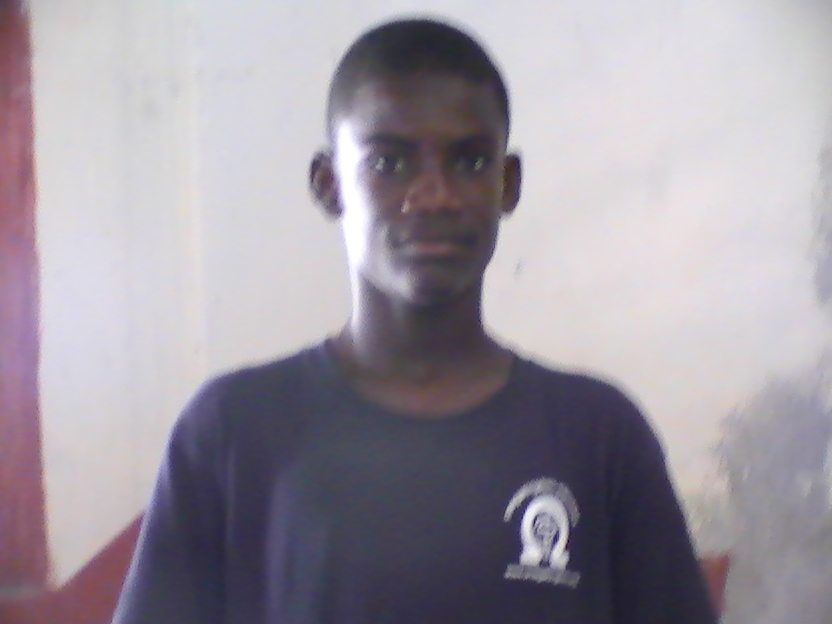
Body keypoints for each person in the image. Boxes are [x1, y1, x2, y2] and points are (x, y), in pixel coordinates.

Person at [113, 18, 717, 624]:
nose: (434, 195)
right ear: (329, 185)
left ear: (507, 184)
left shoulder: (599, 434)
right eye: (388, 162)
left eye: (470, 161)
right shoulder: (232, 432)